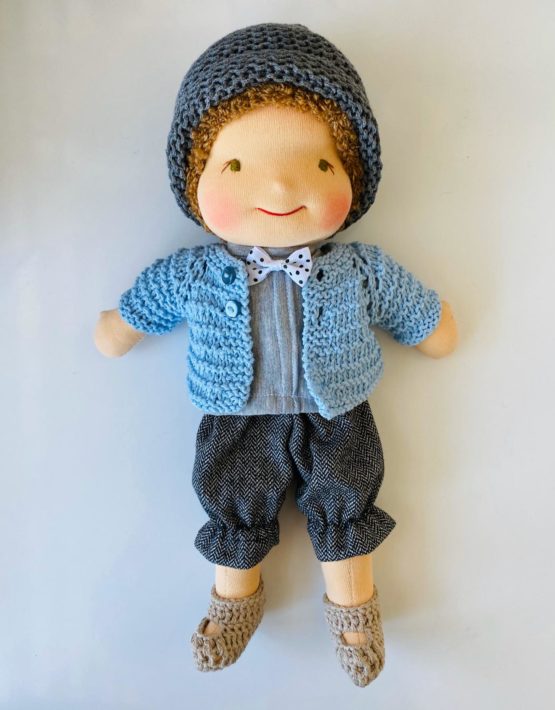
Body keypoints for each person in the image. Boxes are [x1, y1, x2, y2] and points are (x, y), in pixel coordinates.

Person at [94, 22, 458, 687]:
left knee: (345, 490)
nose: (284, 191)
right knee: (233, 491)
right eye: (236, 167)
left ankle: (353, 611)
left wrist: (430, 325)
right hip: (237, 416)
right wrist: (119, 325)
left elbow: (406, 305)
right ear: (197, 176)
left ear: (351, 174)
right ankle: (235, 598)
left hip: (336, 412)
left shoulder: (356, 268)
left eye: (319, 166)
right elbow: (149, 301)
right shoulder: (198, 272)